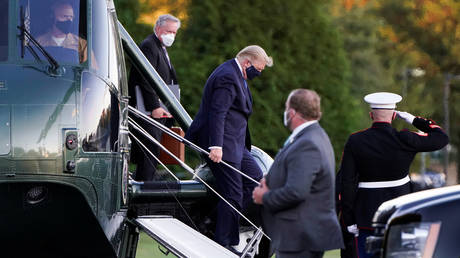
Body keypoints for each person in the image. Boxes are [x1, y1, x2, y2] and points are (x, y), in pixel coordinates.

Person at [337, 92, 449, 258]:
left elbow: (346, 182)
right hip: (400, 214)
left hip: (366, 215)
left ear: (371, 114)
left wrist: (348, 218)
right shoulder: (405, 139)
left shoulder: (356, 140)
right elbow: (441, 138)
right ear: (394, 115)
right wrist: (413, 119)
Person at [185, 45, 273, 251]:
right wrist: (215, 146)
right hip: (222, 144)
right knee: (232, 194)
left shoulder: (237, 75)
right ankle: (223, 242)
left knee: (256, 183)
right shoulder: (227, 76)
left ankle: (212, 220)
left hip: (237, 145)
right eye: (258, 69)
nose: (259, 73)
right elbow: (218, 113)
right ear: (246, 62)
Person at [252, 89, 344, 258]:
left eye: (286, 108)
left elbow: (297, 191)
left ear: (293, 113)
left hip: (300, 237)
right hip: (302, 234)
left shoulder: (308, 143)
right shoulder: (314, 135)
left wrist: (264, 196)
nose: (285, 112)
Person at [128, 14, 180, 181]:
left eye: (174, 32)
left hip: (160, 110)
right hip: (148, 111)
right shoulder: (149, 46)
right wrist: (154, 107)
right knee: (149, 150)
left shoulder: (161, 48)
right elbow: (145, 77)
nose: (171, 35)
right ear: (157, 29)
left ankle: (143, 182)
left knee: (153, 153)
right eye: (168, 31)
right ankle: (143, 188)